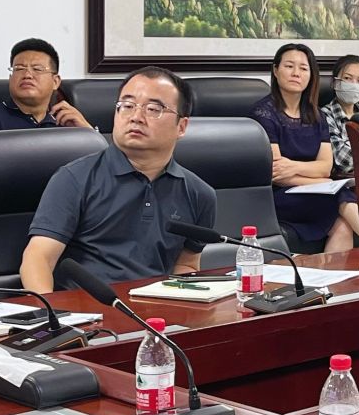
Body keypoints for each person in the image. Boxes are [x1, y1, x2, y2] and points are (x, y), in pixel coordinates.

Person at [20, 68, 216, 292]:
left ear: (181, 127)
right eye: (127, 106)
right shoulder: (75, 178)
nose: (136, 117)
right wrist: (52, 309)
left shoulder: (199, 194)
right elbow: (38, 259)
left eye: (153, 109)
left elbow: (186, 265)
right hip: (85, 308)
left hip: (157, 308)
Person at [251, 42, 359, 254]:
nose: (296, 73)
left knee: (343, 226)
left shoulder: (317, 115)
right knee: (340, 196)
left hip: (313, 192)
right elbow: (277, 174)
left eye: (303, 68)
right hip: (279, 195)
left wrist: (295, 167)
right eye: (289, 66)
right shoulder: (263, 114)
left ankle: (333, 278)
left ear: (311, 75)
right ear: (276, 70)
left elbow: (325, 167)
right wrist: (321, 182)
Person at [0, 38, 91, 132]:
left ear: (55, 82)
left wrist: (89, 133)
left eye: (37, 69)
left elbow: (98, 163)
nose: (27, 75)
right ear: (10, 78)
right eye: (19, 69)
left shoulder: (66, 122)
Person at [323, 54, 359, 178]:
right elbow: (344, 161)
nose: (354, 85)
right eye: (348, 78)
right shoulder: (324, 115)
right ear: (335, 82)